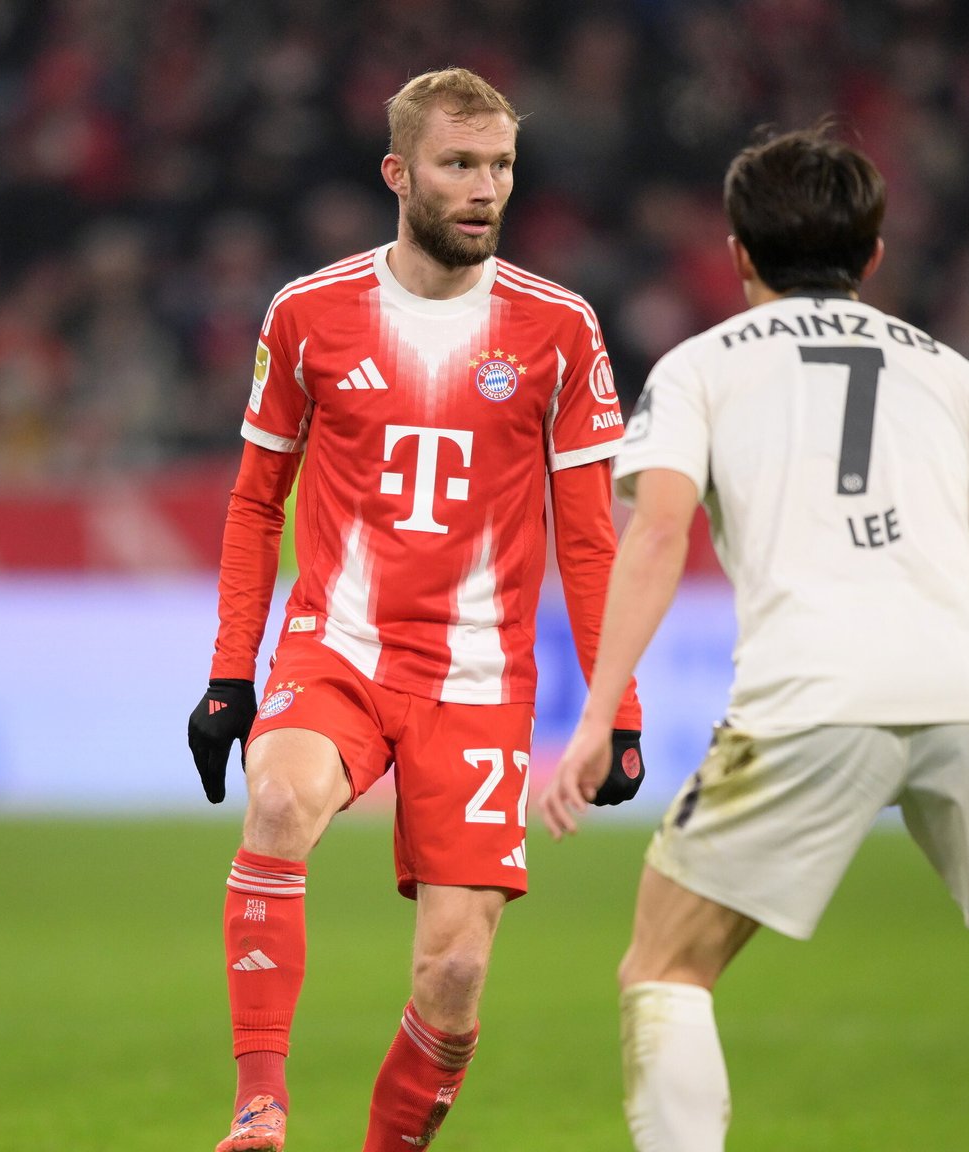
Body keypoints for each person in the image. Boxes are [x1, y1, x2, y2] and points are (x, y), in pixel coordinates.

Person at [539, 124, 969, 1152]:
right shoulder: (951, 373)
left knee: (664, 968)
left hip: (810, 686)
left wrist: (596, 716)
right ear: (872, 257)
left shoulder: (697, 368)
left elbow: (659, 535)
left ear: (734, 253)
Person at [186, 68, 648, 1152]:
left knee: (454, 972)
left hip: (479, 678)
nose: (484, 189)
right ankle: (259, 1109)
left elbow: (589, 542)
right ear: (398, 173)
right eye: (458, 165)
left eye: (499, 167)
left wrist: (613, 711)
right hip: (336, 648)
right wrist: (228, 675)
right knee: (281, 804)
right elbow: (257, 503)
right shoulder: (307, 314)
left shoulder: (559, 330)